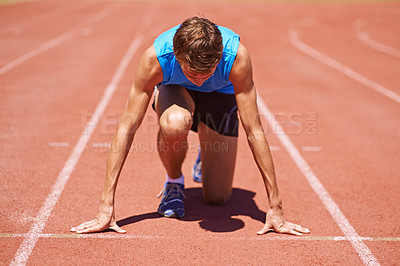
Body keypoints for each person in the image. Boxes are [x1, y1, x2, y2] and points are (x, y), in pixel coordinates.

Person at [71, 16, 309, 236]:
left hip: (220, 97)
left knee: (217, 197)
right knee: (175, 125)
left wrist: (275, 208)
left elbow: (254, 130)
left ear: (219, 58)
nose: (200, 79)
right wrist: (106, 207)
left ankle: (204, 150)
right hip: (176, 91)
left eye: (207, 71)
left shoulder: (237, 57)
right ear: (177, 55)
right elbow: (126, 128)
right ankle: (174, 182)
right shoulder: (156, 59)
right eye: (192, 72)